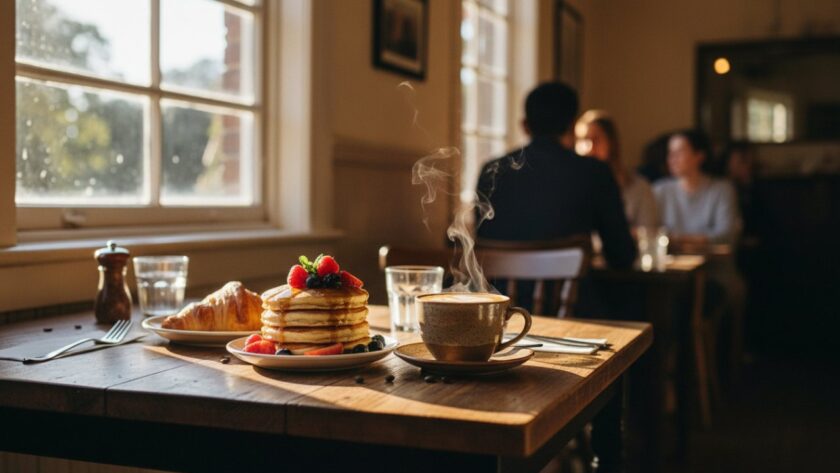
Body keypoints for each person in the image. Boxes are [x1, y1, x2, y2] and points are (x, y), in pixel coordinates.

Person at [475, 82, 637, 316]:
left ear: (525, 125)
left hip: (497, 311)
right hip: (570, 314)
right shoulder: (594, 172)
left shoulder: (492, 170)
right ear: (572, 125)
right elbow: (622, 256)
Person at [653, 130, 741, 246]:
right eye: (670, 152)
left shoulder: (722, 190)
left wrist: (678, 240)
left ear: (699, 156)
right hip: (670, 261)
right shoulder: (659, 190)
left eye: (679, 152)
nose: (672, 158)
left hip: (713, 261)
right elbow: (650, 232)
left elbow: (726, 235)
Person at [575, 110, 660, 228]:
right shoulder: (572, 187)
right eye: (583, 140)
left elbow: (648, 232)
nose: (589, 148)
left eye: (596, 139)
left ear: (612, 142)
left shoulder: (639, 187)